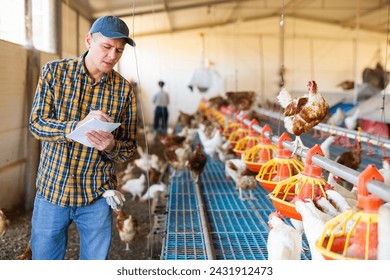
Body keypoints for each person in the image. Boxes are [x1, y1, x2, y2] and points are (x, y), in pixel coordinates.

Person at [28, 15, 138, 260]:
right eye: (107, 47)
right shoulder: (54, 73)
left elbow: (129, 148)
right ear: (89, 40)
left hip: (96, 197)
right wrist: (74, 127)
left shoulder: (124, 90)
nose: (112, 56)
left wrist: (111, 145)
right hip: (53, 191)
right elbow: (36, 125)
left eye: (119, 51)